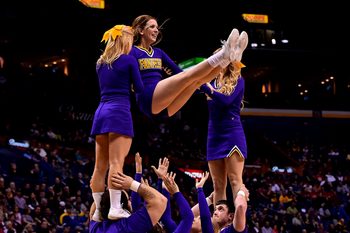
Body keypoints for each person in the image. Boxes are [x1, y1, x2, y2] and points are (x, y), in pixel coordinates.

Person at [129, 14, 249, 119]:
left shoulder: (159, 52)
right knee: (188, 76)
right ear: (141, 30)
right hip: (147, 98)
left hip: (163, 107)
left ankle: (230, 58)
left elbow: (177, 71)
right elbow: (125, 74)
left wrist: (203, 80)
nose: (156, 30)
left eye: (157, 27)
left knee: (195, 82)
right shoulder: (132, 51)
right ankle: (224, 52)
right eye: (152, 27)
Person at [89, 24, 144, 221]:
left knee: (99, 167)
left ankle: (97, 212)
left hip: (101, 112)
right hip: (119, 111)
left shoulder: (100, 62)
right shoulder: (129, 60)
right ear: (125, 40)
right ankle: (114, 207)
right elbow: (139, 88)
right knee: (116, 163)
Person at [198, 34, 248, 206]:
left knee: (235, 180)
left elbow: (226, 101)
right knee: (218, 185)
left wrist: (207, 89)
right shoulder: (210, 80)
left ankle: (238, 226)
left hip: (232, 133)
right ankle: (219, 226)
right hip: (213, 135)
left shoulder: (238, 80)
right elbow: (188, 83)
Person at [89, 172, 168, 233]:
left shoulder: (95, 228)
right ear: (122, 205)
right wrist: (132, 183)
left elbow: (93, 212)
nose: (130, 201)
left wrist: (103, 192)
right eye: (129, 200)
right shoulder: (128, 226)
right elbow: (161, 201)